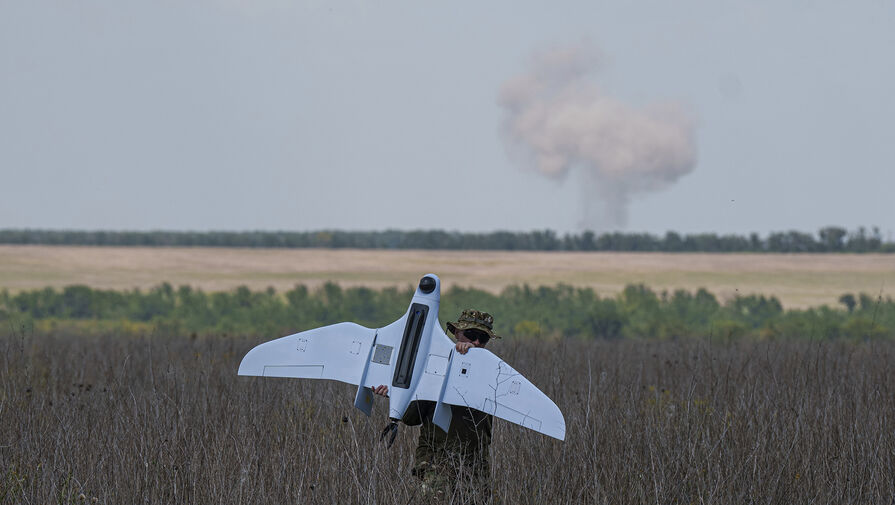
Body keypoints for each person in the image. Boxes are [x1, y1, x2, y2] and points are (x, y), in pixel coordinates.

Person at [372, 309, 500, 502]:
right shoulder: (434, 365)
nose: (476, 343)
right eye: (472, 335)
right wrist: (396, 396)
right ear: (456, 333)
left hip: (474, 467)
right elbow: (410, 418)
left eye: (483, 339)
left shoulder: (492, 371)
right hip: (436, 463)